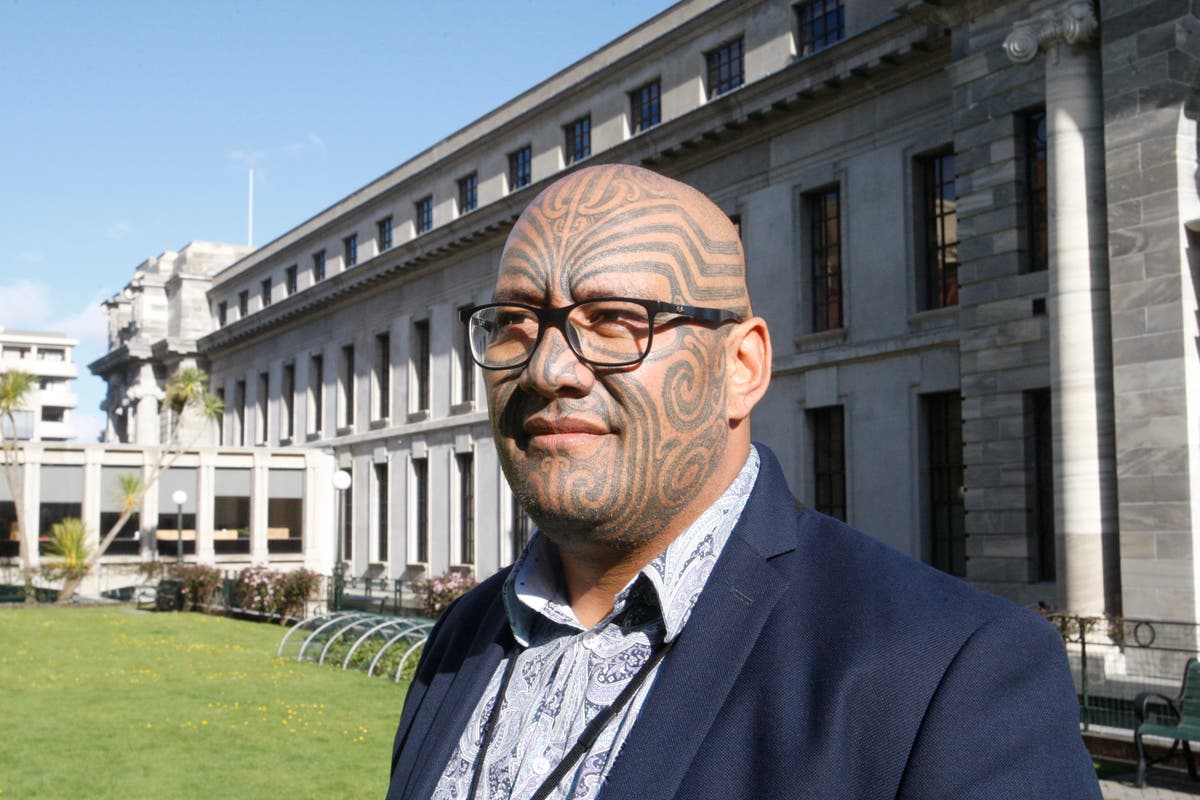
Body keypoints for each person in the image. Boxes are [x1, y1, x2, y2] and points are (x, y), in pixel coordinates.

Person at [386, 164, 1100, 800]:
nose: (547, 369)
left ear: (742, 367)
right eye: (515, 322)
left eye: (614, 320)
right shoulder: (462, 636)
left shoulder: (951, 672)